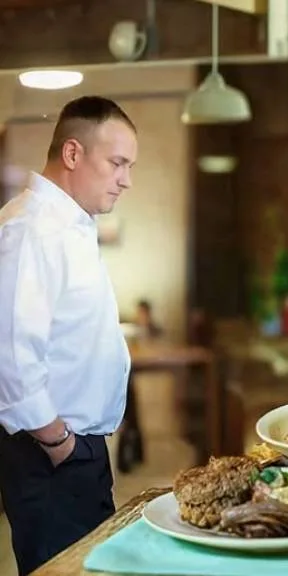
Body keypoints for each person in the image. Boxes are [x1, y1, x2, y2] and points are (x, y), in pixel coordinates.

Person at [0, 96, 137, 575]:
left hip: (76, 451)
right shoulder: (31, 229)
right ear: (73, 155)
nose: (126, 180)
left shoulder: (70, 224)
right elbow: (11, 359)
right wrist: (60, 443)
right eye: (117, 163)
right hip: (50, 454)